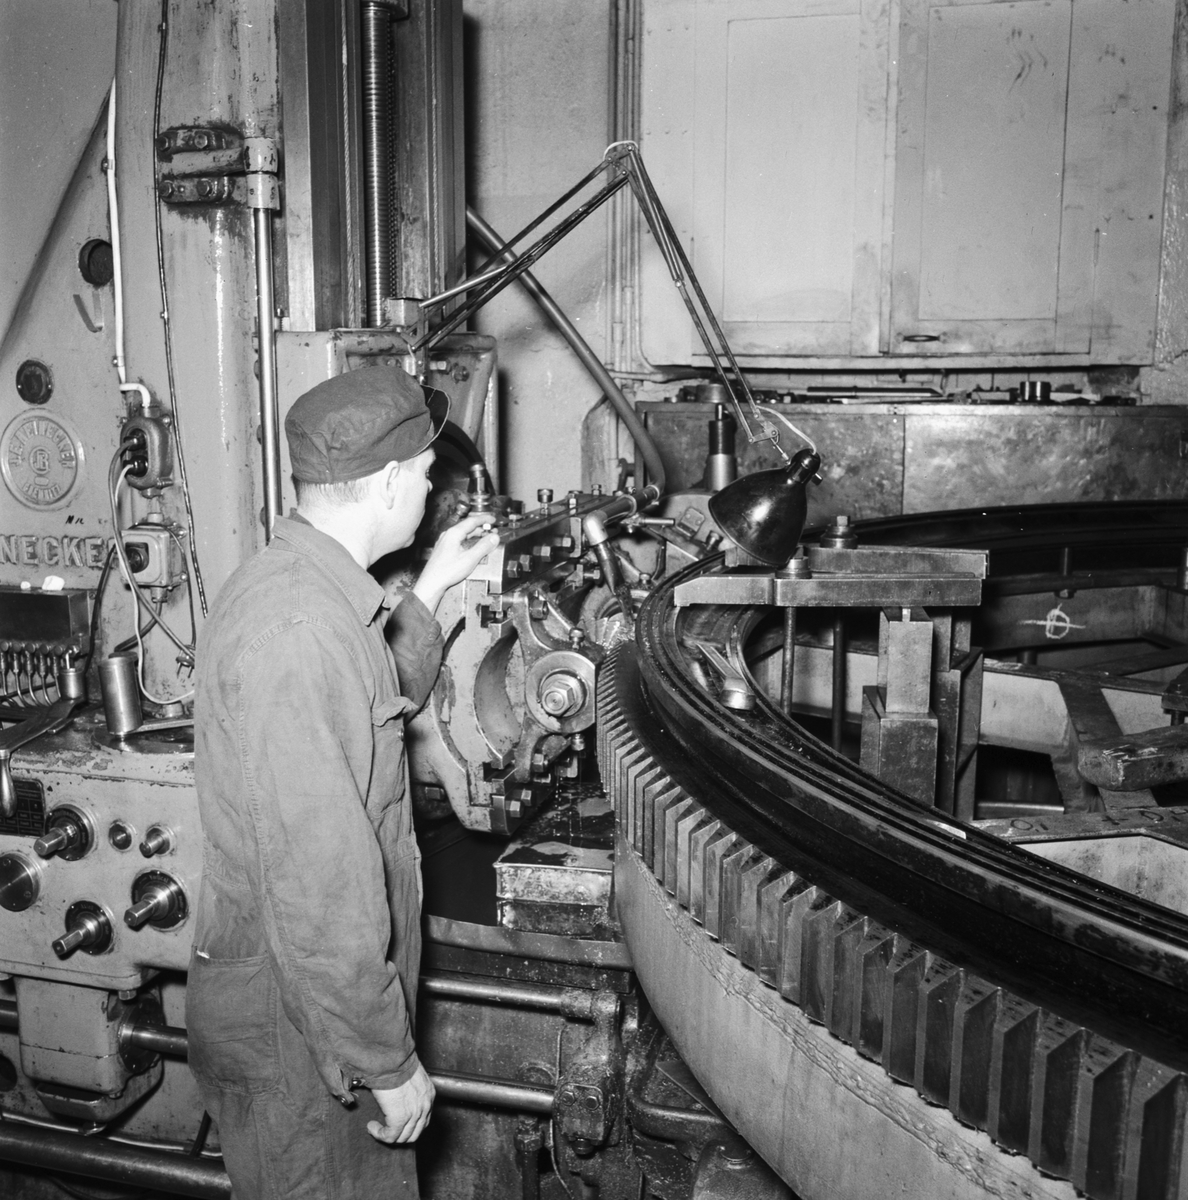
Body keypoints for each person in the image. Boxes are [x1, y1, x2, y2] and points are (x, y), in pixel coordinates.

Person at [186, 365, 499, 1200]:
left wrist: (433, 586)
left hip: (313, 1014)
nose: (430, 489)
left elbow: (369, 707)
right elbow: (318, 883)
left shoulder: (315, 591)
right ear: (389, 481)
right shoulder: (299, 630)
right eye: (425, 474)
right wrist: (384, 1059)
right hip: (304, 1037)